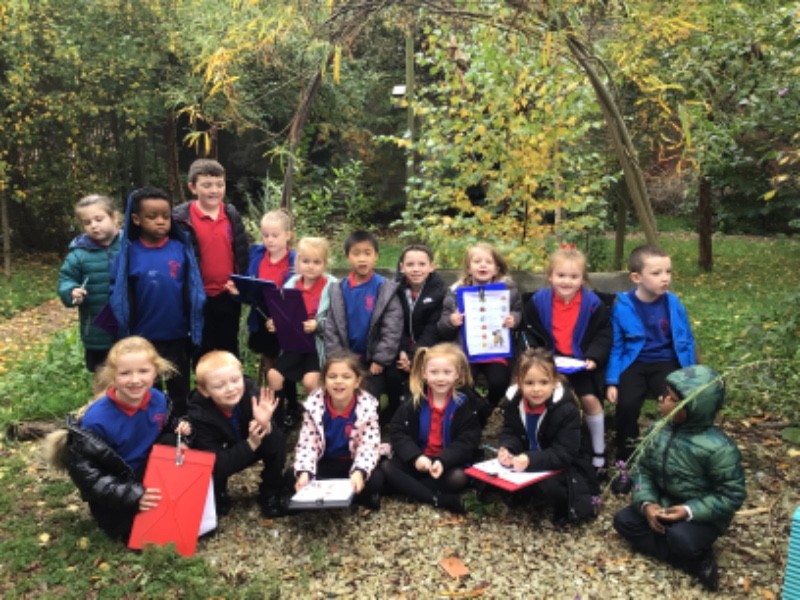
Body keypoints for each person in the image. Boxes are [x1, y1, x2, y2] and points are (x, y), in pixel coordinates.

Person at [613, 365, 746, 591]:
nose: (661, 399)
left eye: (671, 398)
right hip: (663, 504)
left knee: (681, 538)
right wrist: (647, 503)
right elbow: (642, 471)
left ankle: (696, 555)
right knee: (623, 521)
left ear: (694, 407)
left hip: (701, 515)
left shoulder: (719, 448)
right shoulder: (656, 430)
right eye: (664, 393)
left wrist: (688, 510)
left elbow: (732, 495)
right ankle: (688, 560)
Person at [45, 336, 190, 540]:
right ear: (112, 376)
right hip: (116, 488)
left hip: (147, 474)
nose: (135, 380)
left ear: (155, 372)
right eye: (125, 373)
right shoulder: (96, 420)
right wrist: (133, 495)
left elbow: (165, 426)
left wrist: (178, 429)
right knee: (135, 534)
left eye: (143, 371)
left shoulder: (159, 400)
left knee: (181, 517)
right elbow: (89, 477)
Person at [605, 244, 697, 493]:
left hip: (665, 361)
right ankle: (625, 462)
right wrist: (612, 380)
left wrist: (691, 374)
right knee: (626, 406)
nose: (665, 278)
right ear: (637, 277)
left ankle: (670, 460)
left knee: (675, 405)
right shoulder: (623, 305)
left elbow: (686, 339)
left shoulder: (673, 303)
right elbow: (616, 345)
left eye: (668, 271)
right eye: (656, 273)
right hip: (633, 362)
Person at [109, 186, 206, 418]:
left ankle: (180, 426)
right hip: (142, 339)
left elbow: (193, 287)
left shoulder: (180, 249)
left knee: (179, 388)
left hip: (177, 335)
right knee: (147, 389)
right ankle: (151, 425)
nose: (160, 221)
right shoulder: (129, 254)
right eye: (152, 217)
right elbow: (117, 291)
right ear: (137, 219)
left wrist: (195, 326)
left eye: (165, 216)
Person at [519, 246, 612, 475]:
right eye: (561, 275)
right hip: (548, 361)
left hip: (580, 362)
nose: (567, 281)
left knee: (590, 399)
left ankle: (599, 450)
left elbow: (603, 334)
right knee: (536, 393)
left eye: (573, 276)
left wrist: (594, 357)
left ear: (583, 279)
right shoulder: (538, 301)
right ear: (550, 276)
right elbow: (527, 330)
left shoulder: (593, 304)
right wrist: (535, 353)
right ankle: (535, 444)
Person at [497, 348, 599, 525]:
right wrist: (508, 448)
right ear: (519, 382)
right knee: (498, 475)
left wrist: (530, 459)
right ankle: (527, 497)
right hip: (530, 459)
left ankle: (563, 506)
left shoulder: (567, 410)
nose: (536, 389)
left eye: (543, 382)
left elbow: (564, 454)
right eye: (529, 383)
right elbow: (510, 431)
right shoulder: (514, 403)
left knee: (549, 485)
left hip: (567, 466)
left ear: (554, 382)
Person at [381, 343, 481, 514]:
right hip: (418, 460)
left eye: (447, 372)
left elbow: (467, 440)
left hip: (445, 464)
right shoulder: (414, 402)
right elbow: (397, 431)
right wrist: (415, 457)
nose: (440, 378)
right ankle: (437, 499)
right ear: (424, 373)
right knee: (387, 467)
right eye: (434, 372)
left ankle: (408, 488)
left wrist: (443, 460)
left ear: (457, 374)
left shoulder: (464, 404)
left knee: (459, 478)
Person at [187, 351, 286, 518]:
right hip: (223, 453)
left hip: (247, 441)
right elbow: (215, 465)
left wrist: (265, 425)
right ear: (204, 390)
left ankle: (271, 491)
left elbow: (272, 436)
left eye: (235, 380)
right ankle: (218, 494)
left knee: (277, 439)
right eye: (219, 386)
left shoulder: (251, 392)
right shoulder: (198, 414)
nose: (231, 389)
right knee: (212, 469)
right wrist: (251, 443)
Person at [437, 242, 522, 425]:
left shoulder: (507, 292)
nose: (483, 265)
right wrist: (451, 321)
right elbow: (442, 327)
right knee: (463, 383)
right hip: (466, 351)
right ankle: (476, 412)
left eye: (488, 262)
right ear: (469, 268)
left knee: (499, 382)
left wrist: (513, 320)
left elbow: (518, 312)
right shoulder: (455, 294)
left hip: (496, 351)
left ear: (496, 269)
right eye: (477, 261)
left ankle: (488, 409)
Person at [173, 159, 249, 360]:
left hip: (227, 295)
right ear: (192, 187)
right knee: (201, 349)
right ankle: (203, 379)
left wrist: (240, 281)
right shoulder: (181, 218)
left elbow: (241, 250)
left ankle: (232, 380)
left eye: (219, 184)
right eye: (207, 185)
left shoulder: (231, 214)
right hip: (198, 297)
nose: (214, 190)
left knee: (229, 347)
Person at [323, 230, 403, 415]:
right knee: (343, 397)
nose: (362, 259)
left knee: (368, 399)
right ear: (347, 257)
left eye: (367, 253)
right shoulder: (338, 289)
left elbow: (392, 328)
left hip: (374, 362)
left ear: (376, 256)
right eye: (356, 253)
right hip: (347, 359)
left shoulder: (384, 288)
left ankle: (382, 419)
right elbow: (331, 328)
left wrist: (380, 359)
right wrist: (339, 360)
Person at [291, 352, 384, 509]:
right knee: (291, 476)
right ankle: (350, 498)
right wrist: (305, 472)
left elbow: (368, 446)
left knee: (376, 479)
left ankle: (346, 495)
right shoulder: (314, 407)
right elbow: (307, 445)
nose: (338, 381)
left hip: (351, 462)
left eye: (346, 377)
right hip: (325, 462)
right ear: (324, 381)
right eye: (332, 376)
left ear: (357, 382)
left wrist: (359, 472)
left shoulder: (367, 408)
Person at [266, 237, 337, 428]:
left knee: (310, 381)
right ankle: (278, 423)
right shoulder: (291, 285)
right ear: (297, 262)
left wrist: (318, 325)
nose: (310, 266)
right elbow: (282, 312)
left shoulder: (332, 287)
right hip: (295, 344)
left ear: (325, 264)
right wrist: (275, 323)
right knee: (273, 375)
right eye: (306, 261)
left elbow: (338, 321)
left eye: (316, 262)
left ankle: (316, 422)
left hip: (317, 346)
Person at [239, 208, 298, 425]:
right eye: (265, 235)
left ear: (288, 235)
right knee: (268, 363)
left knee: (286, 365)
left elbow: (301, 291)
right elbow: (249, 288)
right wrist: (240, 290)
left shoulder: (295, 261)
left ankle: (292, 406)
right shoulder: (257, 256)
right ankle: (275, 407)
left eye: (275, 235)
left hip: (287, 319)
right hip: (262, 317)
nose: (269, 240)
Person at [383, 243, 448, 423]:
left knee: (425, 375)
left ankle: (422, 416)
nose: (416, 269)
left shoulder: (440, 291)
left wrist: (415, 356)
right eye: (410, 264)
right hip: (400, 349)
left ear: (431, 266)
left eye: (421, 264)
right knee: (392, 375)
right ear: (402, 267)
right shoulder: (394, 290)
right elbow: (394, 323)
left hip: (429, 349)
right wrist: (403, 351)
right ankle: (395, 414)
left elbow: (433, 328)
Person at [57, 194, 122, 374]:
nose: (93, 225)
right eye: (87, 222)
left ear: (114, 217)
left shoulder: (131, 245)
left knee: (131, 371)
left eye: (99, 219)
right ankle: (102, 393)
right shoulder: (78, 254)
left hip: (132, 326)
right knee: (102, 375)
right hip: (97, 330)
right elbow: (66, 279)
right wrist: (71, 291)